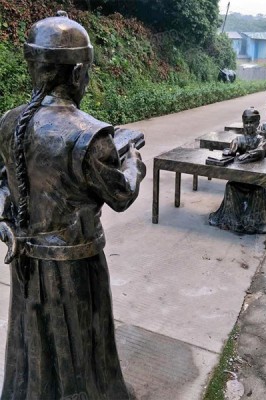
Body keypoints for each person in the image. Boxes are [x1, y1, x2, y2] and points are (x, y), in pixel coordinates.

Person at [0, 12, 145, 400]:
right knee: (81, 349)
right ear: (79, 72)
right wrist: (133, 163)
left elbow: (4, 182)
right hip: (76, 268)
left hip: (27, 264)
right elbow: (120, 196)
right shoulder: (91, 136)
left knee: (35, 348)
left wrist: (5, 219)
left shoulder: (9, 122)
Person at [208, 108, 266, 234]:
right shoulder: (239, 139)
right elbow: (233, 149)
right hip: (240, 177)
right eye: (246, 123)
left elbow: (261, 150)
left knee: (258, 191)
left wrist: (248, 154)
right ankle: (232, 220)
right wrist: (231, 150)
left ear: (257, 123)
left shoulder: (260, 139)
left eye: (252, 123)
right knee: (230, 186)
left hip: (254, 179)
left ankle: (252, 222)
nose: (248, 126)